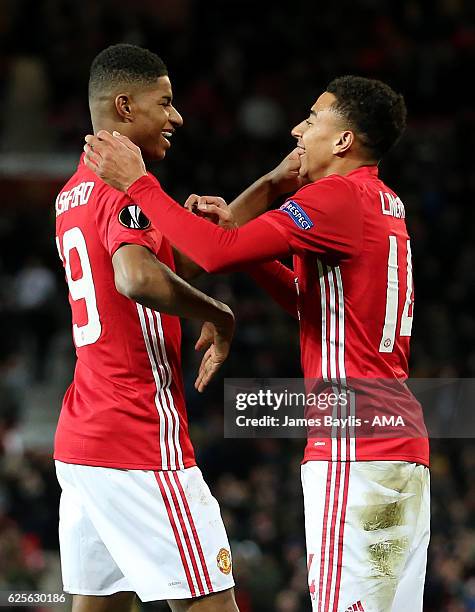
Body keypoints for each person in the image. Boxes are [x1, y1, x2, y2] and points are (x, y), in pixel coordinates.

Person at [84, 75, 430, 612]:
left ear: (343, 142)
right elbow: (314, 303)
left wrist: (140, 185)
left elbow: (215, 255)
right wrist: (247, 245)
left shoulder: (334, 196)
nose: (297, 129)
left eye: (312, 120)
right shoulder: (384, 202)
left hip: (353, 449)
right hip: (401, 449)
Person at [54, 43, 242, 612]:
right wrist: (218, 312)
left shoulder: (72, 192)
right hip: (139, 439)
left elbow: (129, 277)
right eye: (165, 102)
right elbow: (134, 278)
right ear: (125, 107)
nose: (177, 116)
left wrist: (174, 237)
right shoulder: (121, 191)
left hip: (85, 441)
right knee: (213, 605)